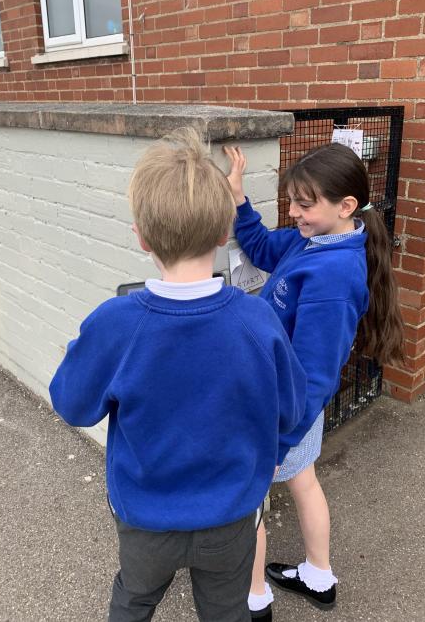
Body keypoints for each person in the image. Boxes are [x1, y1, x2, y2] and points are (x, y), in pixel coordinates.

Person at [50, 127, 308, 622]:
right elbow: (291, 409)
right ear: (223, 232)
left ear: (141, 237)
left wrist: (81, 353)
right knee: (227, 610)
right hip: (230, 514)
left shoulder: (115, 323)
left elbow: (73, 405)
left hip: (146, 517)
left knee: (134, 599)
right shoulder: (257, 321)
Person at [224, 142, 405, 620]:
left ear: (346, 206)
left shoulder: (334, 276)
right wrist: (239, 198)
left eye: (304, 204)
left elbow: (316, 375)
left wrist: (279, 439)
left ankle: (253, 600)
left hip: (284, 410)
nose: (293, 212)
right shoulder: (312, 240)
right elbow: (262, 247)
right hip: (291, 407)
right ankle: (319, 578)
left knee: (248, 501)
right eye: (291, 202)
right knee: (303, 481)